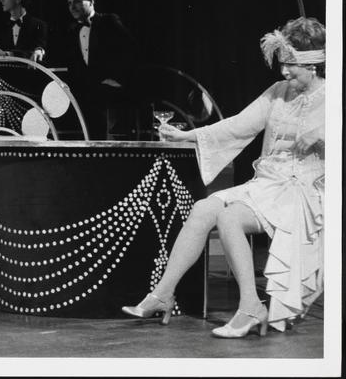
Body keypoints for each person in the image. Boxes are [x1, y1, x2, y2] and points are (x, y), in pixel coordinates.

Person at [122, 17, 325, 337]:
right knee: (203, 209)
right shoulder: (278, 91)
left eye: (291, 65)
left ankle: (251, 306)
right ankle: (163, 294)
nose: (284, 72)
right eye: (282, 64)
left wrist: (322, 134)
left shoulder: (332, 96)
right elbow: (237, 125)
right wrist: (186, 136)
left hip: (305, 192)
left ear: (312, 64)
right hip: (269, 184)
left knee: (230, 218)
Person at [63, 0, 137, 140]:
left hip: (111, 96)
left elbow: (131, 50)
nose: (72, 7)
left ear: (91, 1)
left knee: (113, 141)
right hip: (86, 98)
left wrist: (118, 79)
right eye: (69, 3)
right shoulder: (72, 30)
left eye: (77, 2)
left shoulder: (109, 21)